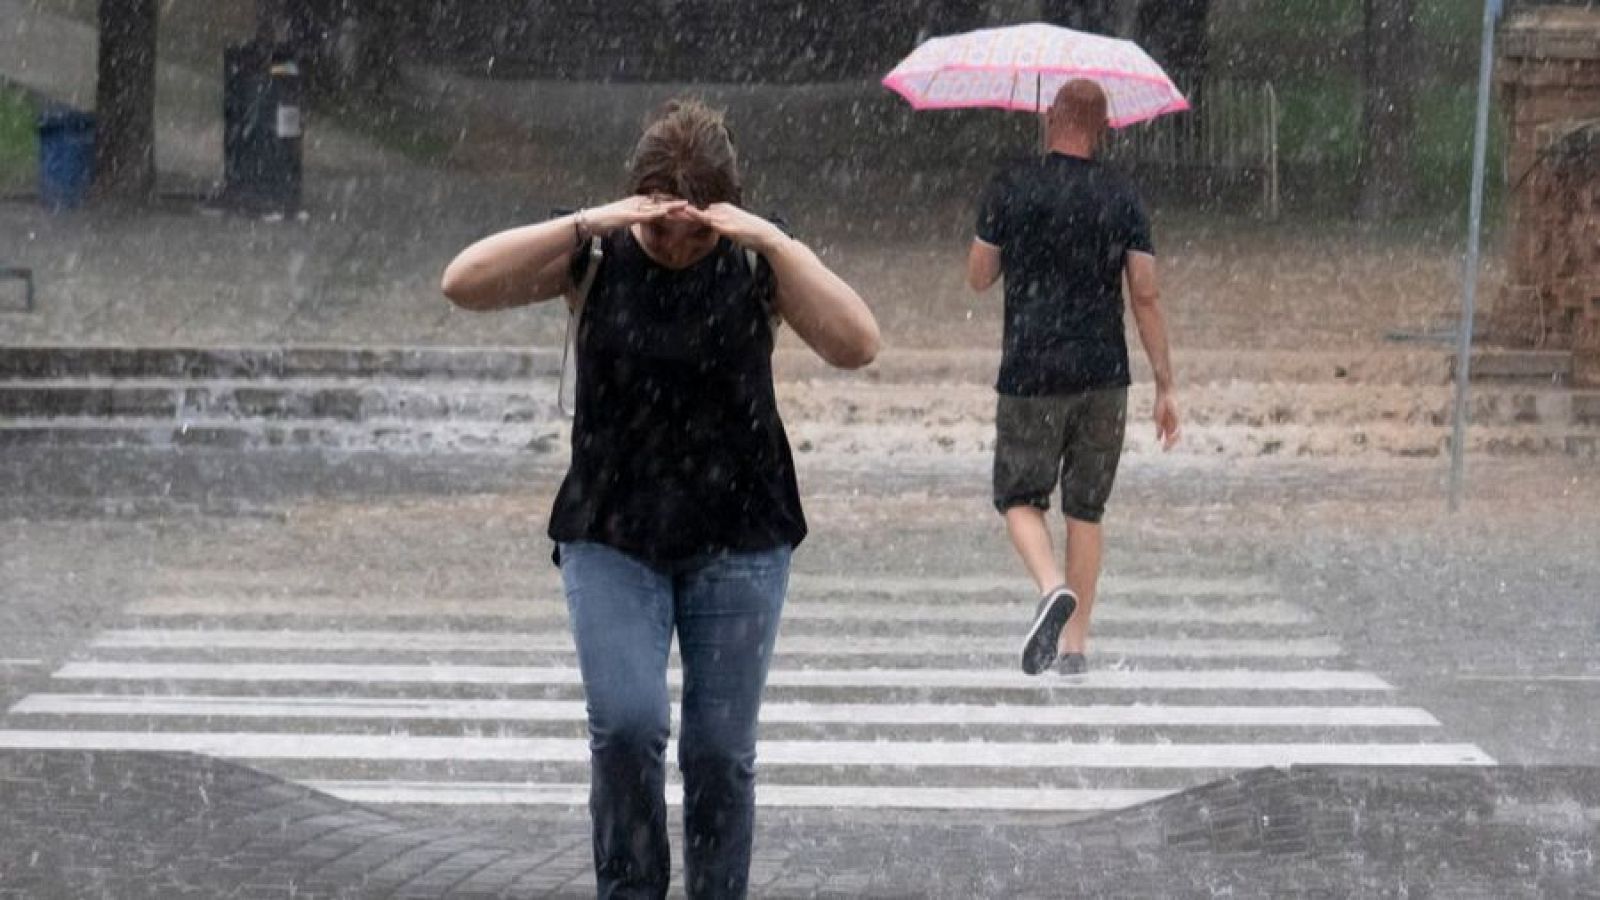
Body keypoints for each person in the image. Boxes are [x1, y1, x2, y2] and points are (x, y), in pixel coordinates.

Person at [441, 99, 879, 899]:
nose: (679, 246)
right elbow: (461, 282)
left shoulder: (755, 263)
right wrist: (586, 221)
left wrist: (773, 240)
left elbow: (859, 343)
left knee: (718, 753)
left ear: (727, 212)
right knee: (627, 727)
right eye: (663, 227)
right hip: (611, 529)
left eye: (698, 230)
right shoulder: (596, 253)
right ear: (635, 203)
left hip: (742, 533)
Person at [966, 79, 1180, 678]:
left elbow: (978, 277)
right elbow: (1146, 294)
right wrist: (1166, 384)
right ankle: (1076, 648)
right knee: (1086, 509)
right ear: (1103, 126)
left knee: (1019, 496)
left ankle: (1051, 586)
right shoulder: (1123, 197)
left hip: (1031, 371)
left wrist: (1004, 228)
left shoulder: (1011, 185)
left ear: (1049, 116)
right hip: (1105, 374)